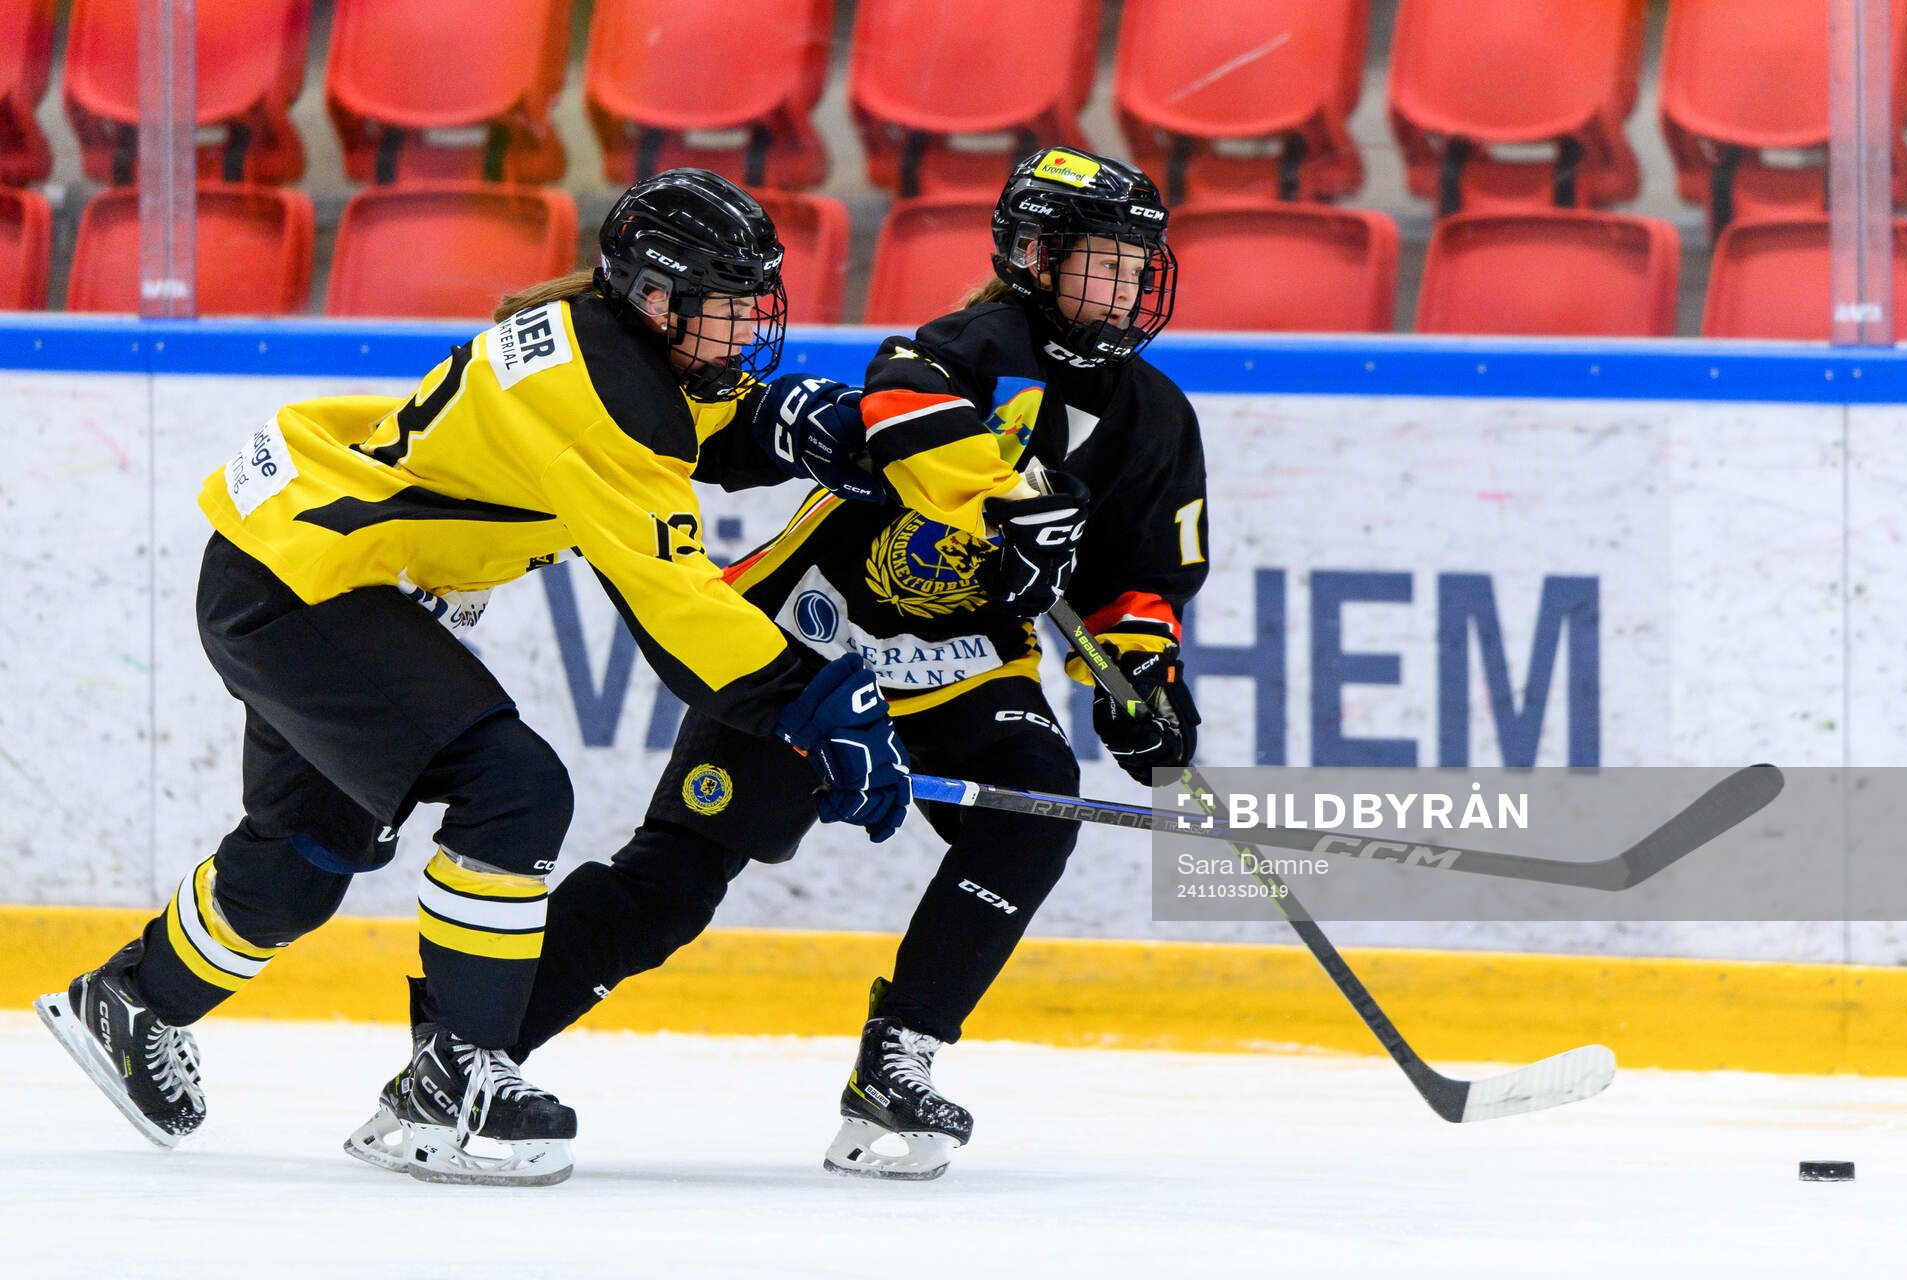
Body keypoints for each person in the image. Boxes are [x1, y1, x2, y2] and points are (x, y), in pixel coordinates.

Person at [33, 169, 911, 1187]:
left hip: (293, 566)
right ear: (659, 298)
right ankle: (458, 1072)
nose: (749, 324)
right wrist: (815, 697)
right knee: (516, 787)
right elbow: (675, 601)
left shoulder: (608, 344)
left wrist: (788, 427)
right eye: (728, 302)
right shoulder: (601, 393)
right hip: (305, 586)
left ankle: (131, 999)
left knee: (309, 850)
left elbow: (692, 428)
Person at [429, 145, 1208, 1182]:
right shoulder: (964, 348)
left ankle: (902, 1057)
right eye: (1100, 264)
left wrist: (1142, 680)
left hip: (968, 665)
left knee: (1033, 808)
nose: (1122, 288)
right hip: (811, 639)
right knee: (674, 880)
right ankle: (461, 1051)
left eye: (1133, 267)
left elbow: (1140, 575)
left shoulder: (1157, 418)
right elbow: (899, 404)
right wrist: (997, 496)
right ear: (1031, 253)